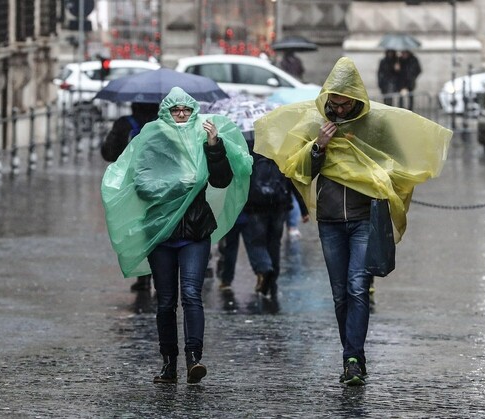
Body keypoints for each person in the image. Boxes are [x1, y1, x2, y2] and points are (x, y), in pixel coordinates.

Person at [253, 57, 452, 386]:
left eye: (345, 104)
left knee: (358, 288)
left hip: (363, 219)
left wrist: (374, 176)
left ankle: (353, 359)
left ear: (356, 99)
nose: (340, 110)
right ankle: (351, 352)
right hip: (330, 221)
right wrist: (319, 146)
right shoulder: (317, 124)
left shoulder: (376, 126)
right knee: (340, 294)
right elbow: (301, 170)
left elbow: (396, 165)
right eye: (335, 103)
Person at [101, 87, 252, 385]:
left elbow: (221, 180)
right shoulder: (152, 139)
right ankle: (169, 363)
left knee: (192, 294)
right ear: (166, 112)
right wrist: (180, 183)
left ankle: (194, 358)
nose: (181, 115)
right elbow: (142, 184)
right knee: (166, 300)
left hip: (195, 229)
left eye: (186, 110)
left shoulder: (202, 138)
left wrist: (213, 146)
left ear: (193, 111)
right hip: (160, 231)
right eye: (176, 110)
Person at [217, 131, 309, 299]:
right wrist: (303, 209)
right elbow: (293, 182)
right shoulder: (282, 155)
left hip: (256, 207)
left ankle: (264, 269)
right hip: (278, 207)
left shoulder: (248, 153)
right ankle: (272, 283)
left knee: (257, 242)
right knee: (274, 244)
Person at [100, 102, 159, 292]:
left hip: (130, 188)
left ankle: (143, 277)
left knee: (136, 231)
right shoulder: (162, 125)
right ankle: (161, 275)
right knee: (157, 229)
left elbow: (108, 153)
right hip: (158, 186)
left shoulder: (124, 124)